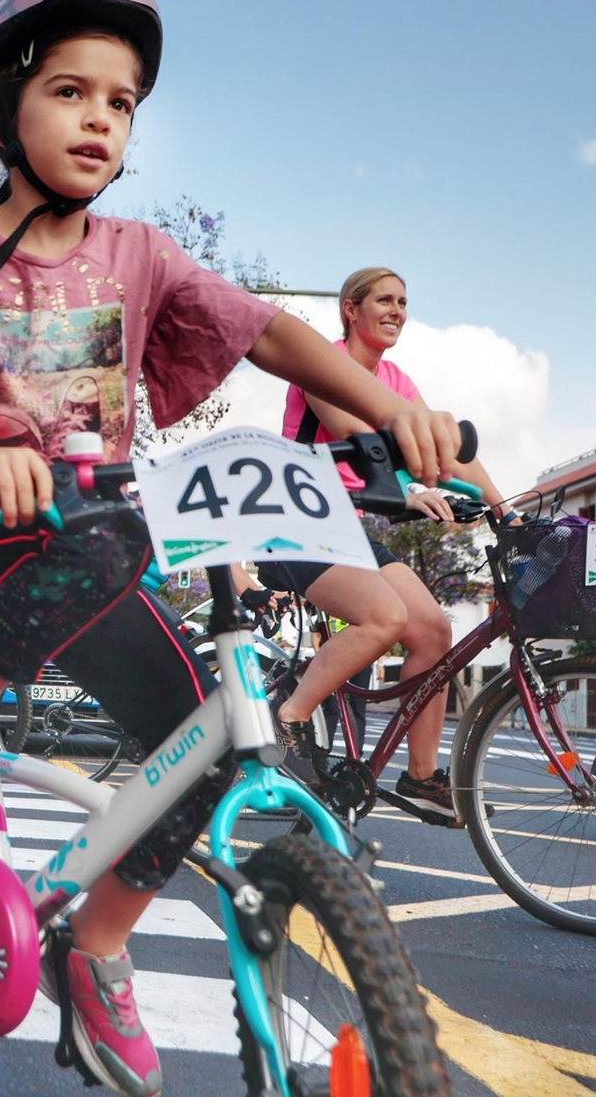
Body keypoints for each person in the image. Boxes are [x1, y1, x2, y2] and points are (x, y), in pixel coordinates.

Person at [0, 0, 466, 1096]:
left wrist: (385, 408)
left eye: (120, 102)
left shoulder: (138, 253)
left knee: (200, 739)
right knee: (98, 533)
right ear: (1, 108)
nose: (98, 117)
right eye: (70, 90)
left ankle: (98, 942)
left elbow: (267, 333)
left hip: (79, 543)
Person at [255, 267, 511, 813]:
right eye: (385, 300)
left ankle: (420, 778)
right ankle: (289, 718)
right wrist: (410, 489)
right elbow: (361, 435)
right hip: (292, 519)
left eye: (403, 302)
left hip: (343, 527)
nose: (397, 310)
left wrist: (503, 508)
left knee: (433, 632)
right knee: (384, 617)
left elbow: (446, 449)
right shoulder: (320, 365)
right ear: (351, 309)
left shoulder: (395, 379)